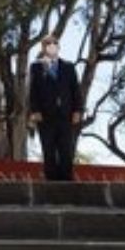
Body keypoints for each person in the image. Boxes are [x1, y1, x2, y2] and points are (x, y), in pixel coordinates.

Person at [29, 34, 83, 181]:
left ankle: (66, 181)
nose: (52, 46)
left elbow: (75, 90)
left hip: (66, 115)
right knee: (48, 149)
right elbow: (33, 90)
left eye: (54, 43)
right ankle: (51, 181)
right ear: (43, 48)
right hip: (45, 116)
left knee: (66, 149)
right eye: (48, 44)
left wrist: (77, 110)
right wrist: (35, 110)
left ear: (58, 47)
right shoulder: (36, 66)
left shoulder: (68, 66)